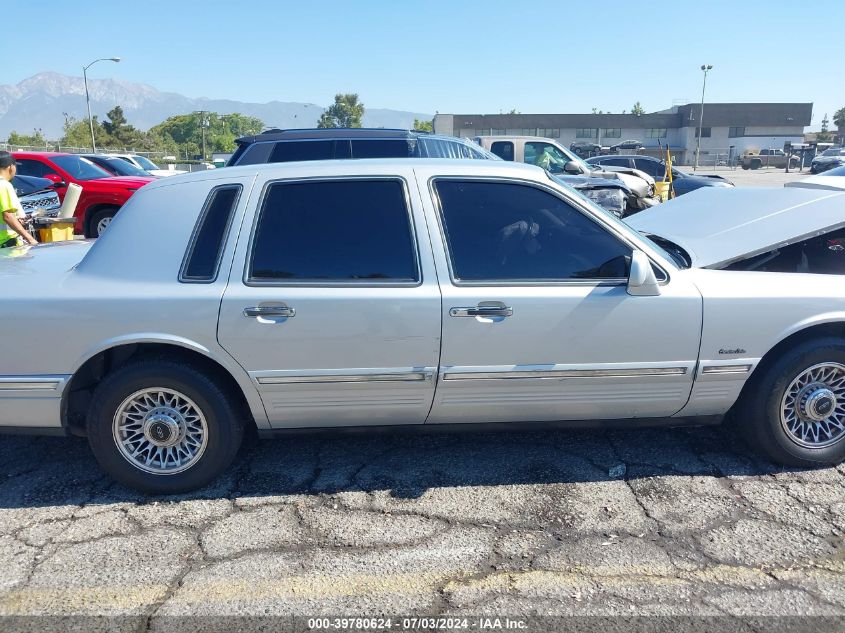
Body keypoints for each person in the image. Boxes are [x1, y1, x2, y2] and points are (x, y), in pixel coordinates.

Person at [0, 151, 37, 248]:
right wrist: (30, 238)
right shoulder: (4, 185)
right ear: (11, 167)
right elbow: (7, 217)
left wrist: (17, 220)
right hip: (6, 242)